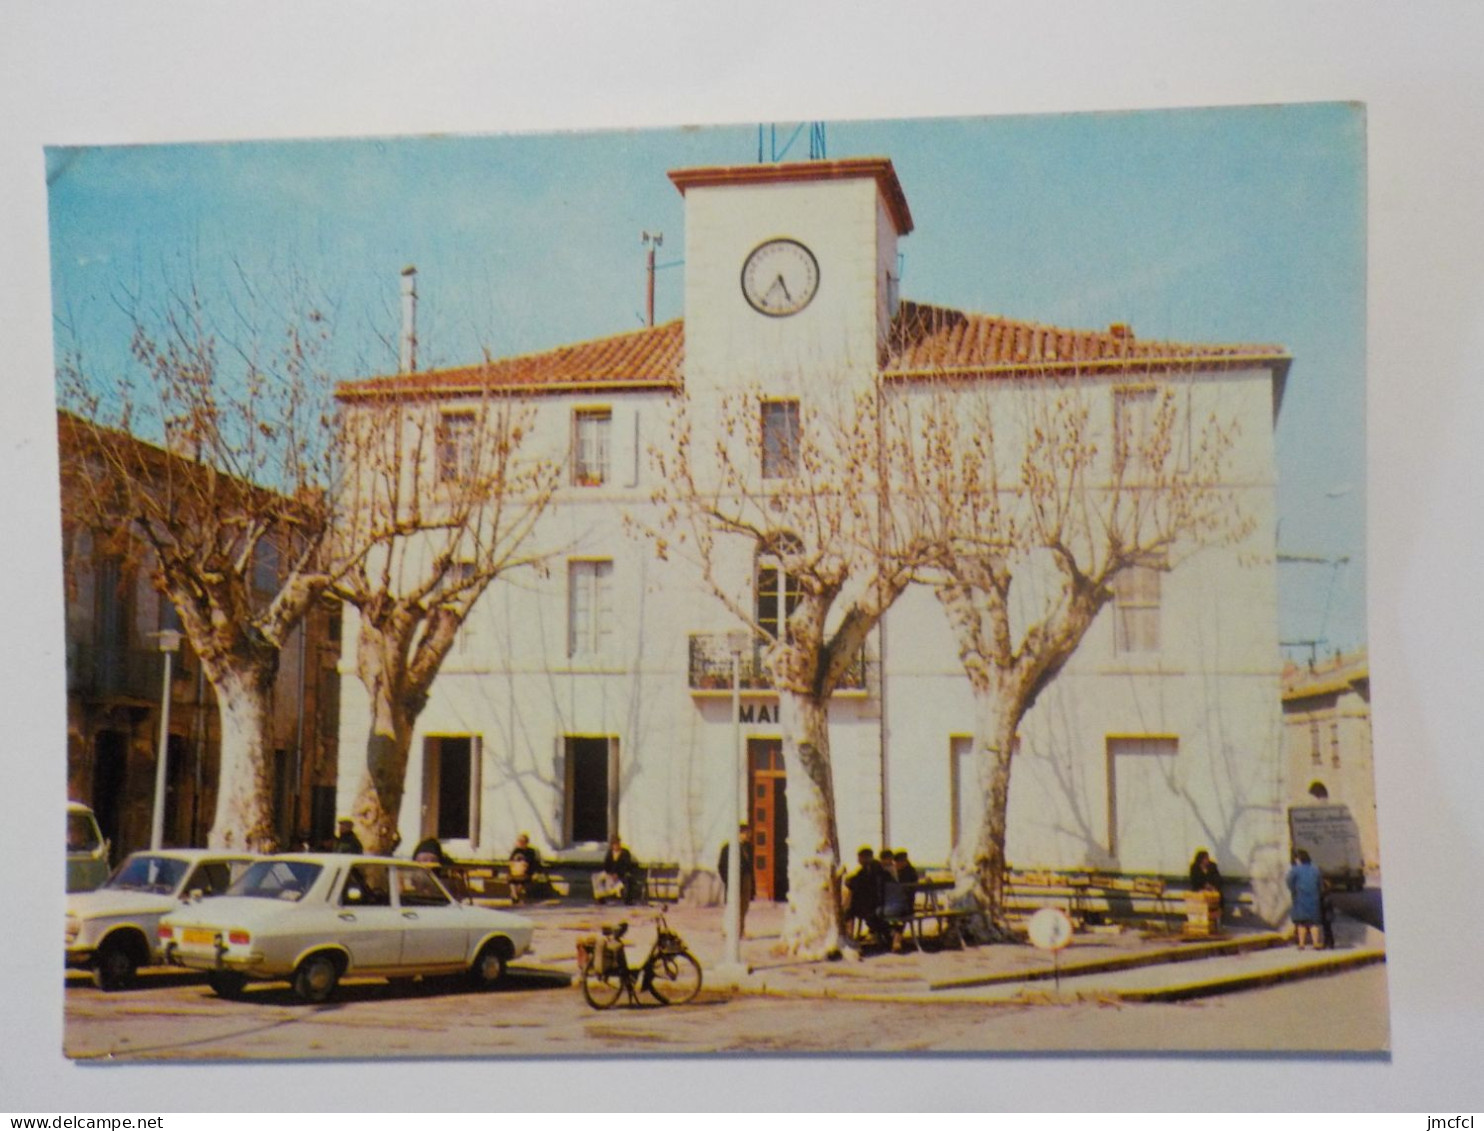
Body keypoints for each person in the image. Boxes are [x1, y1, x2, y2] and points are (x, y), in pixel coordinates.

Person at [844, 846, 888, 947]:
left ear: (867, 858)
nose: (858, 860)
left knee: (849, 910)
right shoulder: (877, 867)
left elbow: (854, 883)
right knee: (850, 905)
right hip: (876, 903)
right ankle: (851, 934)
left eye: (860, 858)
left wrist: (848, 879)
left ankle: (849, 935)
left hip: (872, 905)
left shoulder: (869, 870)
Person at [717, 824, 755, 934]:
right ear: (740, 834)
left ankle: (740, 930)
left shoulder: (749, 847)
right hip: (734, 880)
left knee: (744, 906)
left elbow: (750, 865)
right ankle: (727, 929)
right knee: (732, 905)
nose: (749, 835)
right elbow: (722, 865)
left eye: (749, 833)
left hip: (746, 879)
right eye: (746, 833)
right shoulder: (728, 847)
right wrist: (728, 880)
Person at [1286, 849, 1325, 949]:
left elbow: (1289, 882)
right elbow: (1321, 885)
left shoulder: (1295, 870)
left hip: (1300, 898)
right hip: (1314, 898)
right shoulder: (1315, 869)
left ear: (1298, 859)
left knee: (1301, 923)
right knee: (1314, 923)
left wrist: (1294, 891)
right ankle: (1316, 943)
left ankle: (1301, 944)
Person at [594, 835, 635, 904]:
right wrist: (609, 872)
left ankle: (625, 898)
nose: (616, 846)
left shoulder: (625, 853)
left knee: (626, 879)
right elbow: (606, 864)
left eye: (617, 843)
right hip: (610, 873)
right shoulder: (610, 853)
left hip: (620, 873)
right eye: (614, 844)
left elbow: (626, 865)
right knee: (596, 877)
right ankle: (600, 897)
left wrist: (618, 873)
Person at [1188, 848, 1225, 919]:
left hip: (1211, 889)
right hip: (1199, 888)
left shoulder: (1212, 866)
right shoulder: (1194, 867)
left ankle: (1217, 915)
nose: (1207, 860)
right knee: (1199, 896)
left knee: (1219, 896)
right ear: (1200, 859)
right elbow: (1194, 880)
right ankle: (1201, 916)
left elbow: (1218, 878)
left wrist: (1213, 887)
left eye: (1207, 858)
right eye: (1205, 858)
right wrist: (1204, 886)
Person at [508, 833, 541, 905]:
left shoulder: (530, 851)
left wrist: (535, 872)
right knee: (511, 879)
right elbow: (510, 860)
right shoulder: (516, 850)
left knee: (522, 880)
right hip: (515, 872)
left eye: (522, 841)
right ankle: (515, 895)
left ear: (526, 842)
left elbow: (534, 863)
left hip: (527, 872)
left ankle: (514, 896)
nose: (520, 843)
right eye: (519, 841)